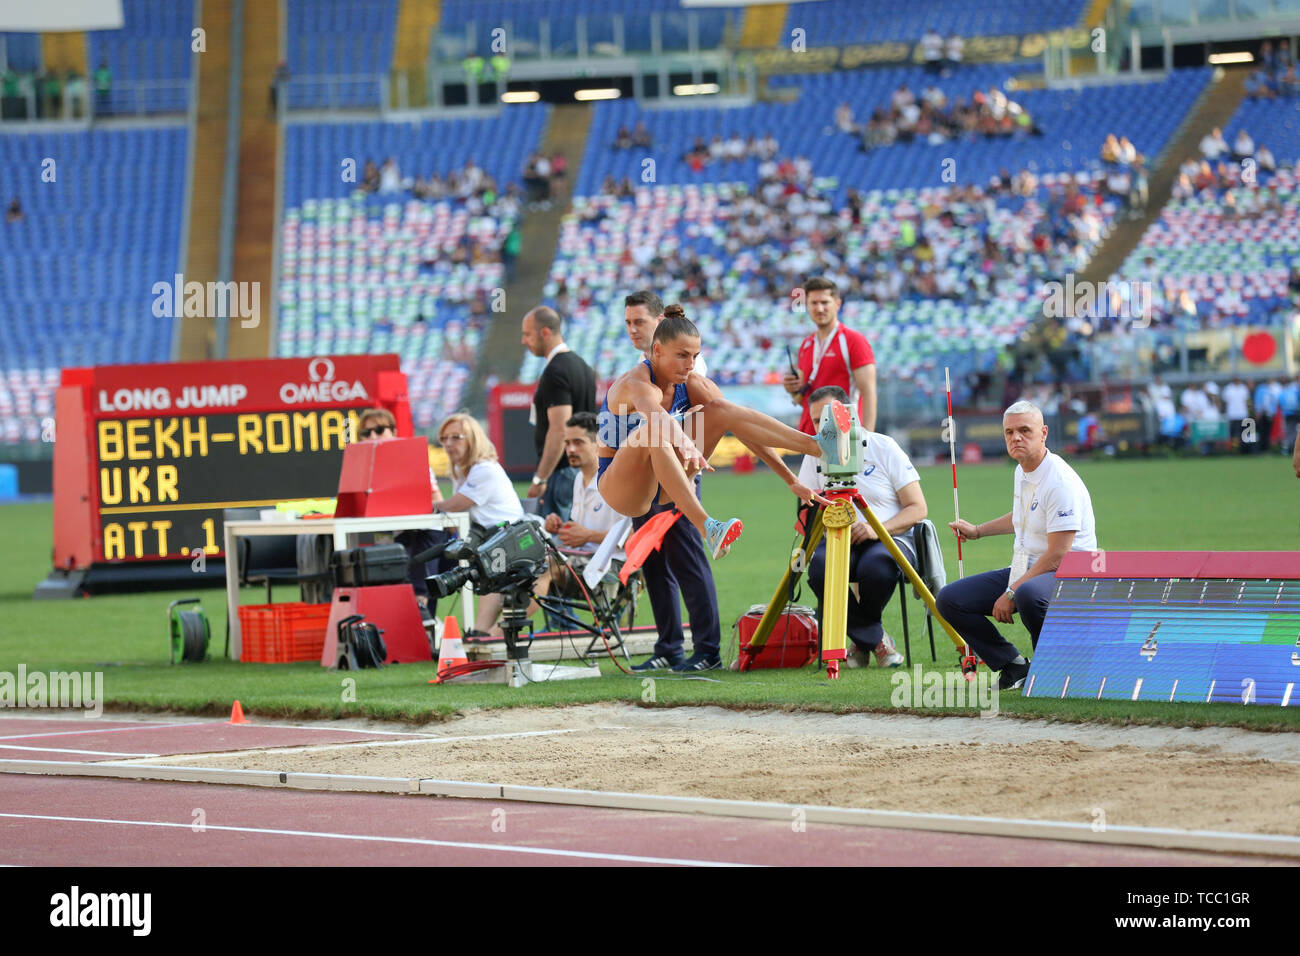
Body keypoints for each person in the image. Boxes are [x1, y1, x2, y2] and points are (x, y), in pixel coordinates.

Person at [600, 302, 832, 671]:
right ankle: (708, 526)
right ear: (657, 351)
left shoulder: (690, 383)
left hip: (668, 480)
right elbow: (656, 417)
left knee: (722, 409)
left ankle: (816, 443)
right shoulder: (635, 384)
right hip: (622, 486)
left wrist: (790, 478)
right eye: (681, 356)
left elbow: (743, 427)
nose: (689, 365)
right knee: (652, 432)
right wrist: (686, 442)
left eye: (694, 356)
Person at [936, 401, 1098, 691]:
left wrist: (1011, 591)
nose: (1016, 438)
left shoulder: (1059, 481)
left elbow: (1058, 556)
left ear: (1044, 433)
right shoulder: (1022, 470)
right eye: (1009, 432)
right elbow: (1023, 516)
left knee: (1028, 594)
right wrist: (978, 531)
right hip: (1030, 567)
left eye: (1025, 430)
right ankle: (1013, 666)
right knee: (950, 599)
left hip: (1072, 572)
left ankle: (1054, 672)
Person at [798, 387, 925, 668]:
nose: (822, 428)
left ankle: (862, 641)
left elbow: (918, 508)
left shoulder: (883, 446)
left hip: (886, 537)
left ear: (849, 415)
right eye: (816, 422)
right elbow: (806, 507)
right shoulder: (813, 454)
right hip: (834, 535)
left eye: (828, 419)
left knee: (877, 567)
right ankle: (876, 641)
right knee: (819, 568)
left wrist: (874, 528)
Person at [432, 413, 525, 635]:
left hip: (510, 542)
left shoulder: (484, 469)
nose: (448, 444)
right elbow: (455, 519)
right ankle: (479, 634)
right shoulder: (463, 472)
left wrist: (427, 505)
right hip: (490, 545)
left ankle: (485, 635)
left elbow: (454, 506)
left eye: (456, 437)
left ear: (473, 439)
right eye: (444, 439)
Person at [354, 408, 444, 615]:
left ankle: (428, 636)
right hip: (389, 533)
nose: (373, 437)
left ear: (393, 431)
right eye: (366, 433)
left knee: (421, 592)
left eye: (379, 430)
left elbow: (435, 498)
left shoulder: (411, 455)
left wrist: (452, 527)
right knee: (387, 589)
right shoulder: (360, 463)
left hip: (423, 530)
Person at [535, 412, 627, 608]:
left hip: (609, 567)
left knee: (546, 567)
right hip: (582, 559)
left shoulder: (617, 480)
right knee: (525, 563)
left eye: (578, 442)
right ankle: (496, 632)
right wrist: (559, 526)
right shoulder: (579, 479)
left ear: (599, 444)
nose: (570, 449)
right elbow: (580, 531)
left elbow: (634, 537)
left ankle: (496, 636)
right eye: (567, 443)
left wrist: (588, 536)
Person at [521, 305, 596, 519]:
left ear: (545, 332)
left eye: (527, 334)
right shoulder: (583, 365)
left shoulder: (555, 371)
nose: (524, 341)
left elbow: (560, 430)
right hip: (580, 470)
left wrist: (540, 479)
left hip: (562, 472)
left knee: (557, 543)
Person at [783, 276, 877, 434]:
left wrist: (867, 438)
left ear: (837, 304)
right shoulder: (806, 345)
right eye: (814, 303)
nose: (819, 309)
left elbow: (869, 392)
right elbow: (802, 400)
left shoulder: (853, 341)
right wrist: (792, 389)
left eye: (824, 302)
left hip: (844, 437)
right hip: (809, 437)